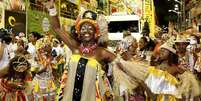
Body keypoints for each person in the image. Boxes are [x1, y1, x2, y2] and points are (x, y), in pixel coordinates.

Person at [44, 1, 116, 101]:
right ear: (79, 32)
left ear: (96, 33)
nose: (86, 31)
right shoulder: (75, 48)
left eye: (90, 28)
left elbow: (122, 64)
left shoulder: (102, 52)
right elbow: (57, 28)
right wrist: (52, 9)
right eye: (83, 28)